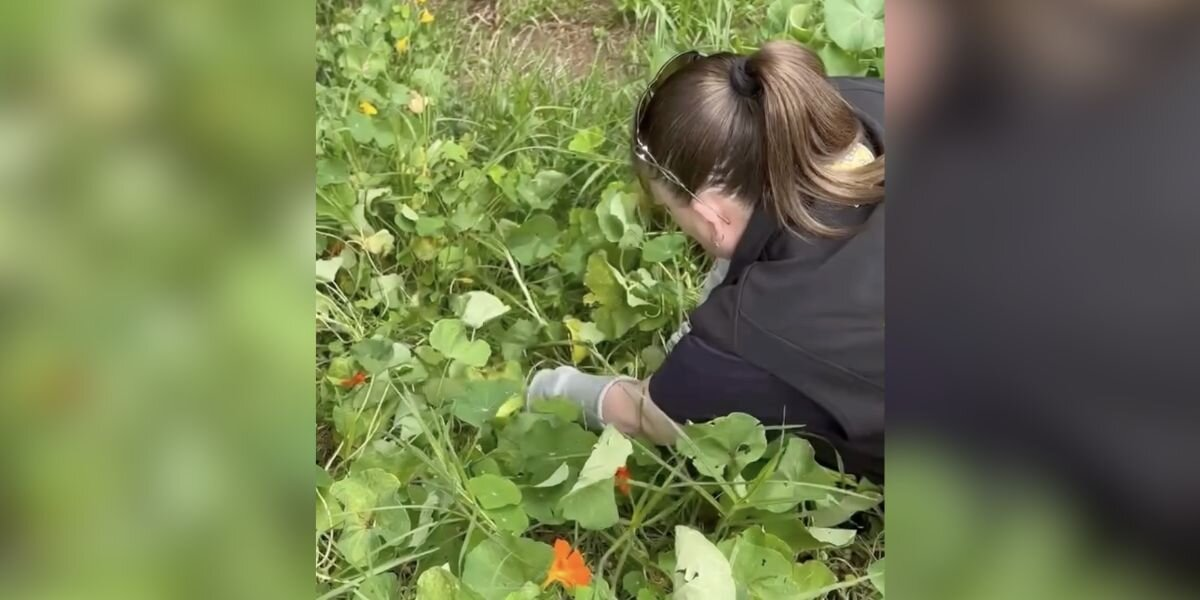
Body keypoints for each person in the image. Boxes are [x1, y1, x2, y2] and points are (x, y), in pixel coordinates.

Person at [527, 41, 885, 481]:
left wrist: (546, 389)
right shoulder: (857, 99)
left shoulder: (754, 328)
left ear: (713, 216)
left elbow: (649, 414)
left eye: (670, 210)